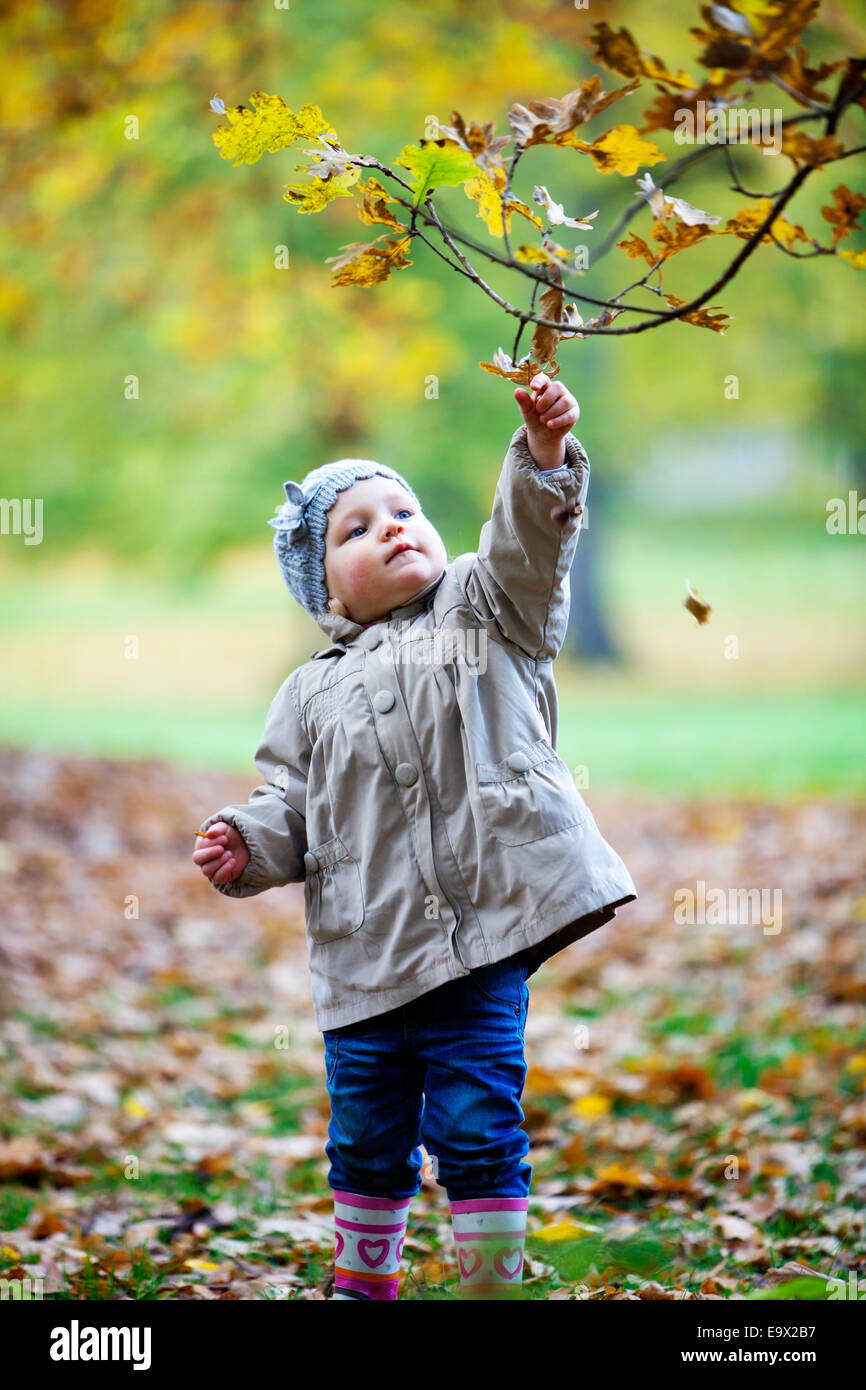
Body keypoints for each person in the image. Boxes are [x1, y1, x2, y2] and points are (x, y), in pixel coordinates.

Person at [192, 372, 638, 1300]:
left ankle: (489, 1285)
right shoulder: (308, 691)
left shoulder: (487, 610)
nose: (392, 526)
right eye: (357, 529)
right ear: (324, 591)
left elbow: (526, 547)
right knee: (365, 1136)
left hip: (480, 945)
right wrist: (249, 840)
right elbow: (293, 801)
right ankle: (366, 1284)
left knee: (477, 1124)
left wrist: (544, 457)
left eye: (403, 510)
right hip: (363, 961)